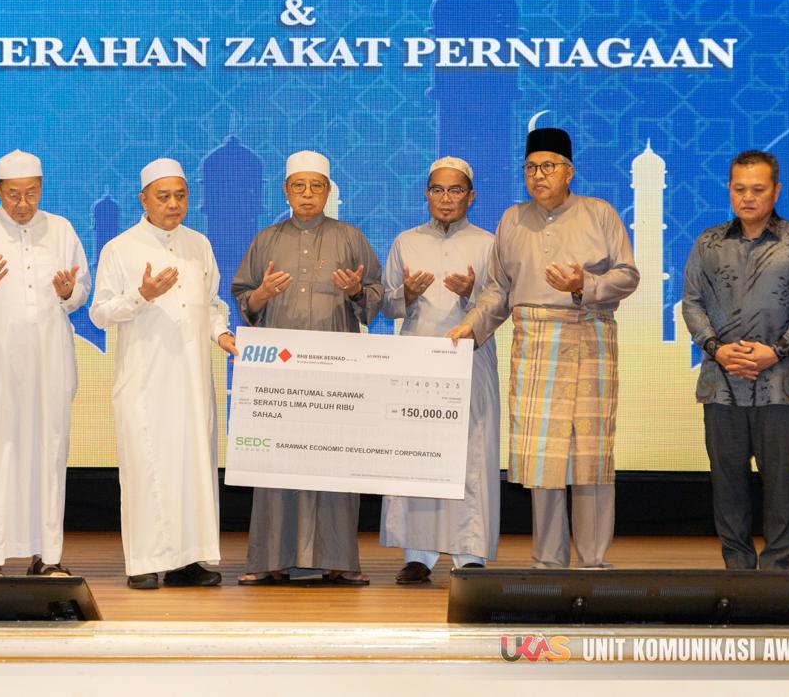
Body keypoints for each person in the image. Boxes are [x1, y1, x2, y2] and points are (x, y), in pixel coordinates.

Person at [449, 128, 638, 569]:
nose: (538, 175)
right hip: (535, 345)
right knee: (542, 460)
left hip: (589, 337)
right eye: (531, 167)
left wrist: (583, 284)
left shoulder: (599, 213)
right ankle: (549, 561)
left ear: (569, 172)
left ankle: (593, 561)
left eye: (548, 166)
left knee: (590, 456)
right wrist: (470, 326)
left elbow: (627, 275)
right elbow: (498, 290)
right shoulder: (513, 220)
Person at [231, 150, 382, 586]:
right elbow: (244, 300)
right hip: (280, 375)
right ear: (286, 190)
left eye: (317, 186)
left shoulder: (350, 238)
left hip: (337, 372)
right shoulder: (266, 240)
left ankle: (339, 559)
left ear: (328, 190)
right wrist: (261, 294)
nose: (308, 194)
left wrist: (355, 292)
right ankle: (270, 559)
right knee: (276, 462)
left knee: (336, 461)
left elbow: (375, 296)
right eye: (299, 186)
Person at [90, 158, 238, 590]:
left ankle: (187, 561)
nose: (173, 204)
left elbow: (212, 304)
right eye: (163, 196)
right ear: (144, 199)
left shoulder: (199, 245)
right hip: (145, 382)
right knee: (146, 468)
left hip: (192, 381)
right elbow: (100, 314)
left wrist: (222, 334)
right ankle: (143, 562)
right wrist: (142, 295)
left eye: (180, 196)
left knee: (192, 467)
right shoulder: (120, 248)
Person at [0, 150, 90, 577]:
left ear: (41, 188)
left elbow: (80, 291)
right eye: (13, 195)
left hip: (48, 363)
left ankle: (47, 556)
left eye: (31, 193)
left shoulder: (61, 229)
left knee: (49, 452)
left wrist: (68, 292)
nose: (23, 204)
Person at [681, 150, 789, 570]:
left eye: (757, 189)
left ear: (776, 191)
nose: (747, 197)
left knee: (781, 483)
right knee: (727, 482)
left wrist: (774, 351)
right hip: (721, 383)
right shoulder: (708, 243)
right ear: (729, 190)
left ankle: (777, 573)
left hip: (780, 382)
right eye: (739, 189)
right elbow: (691, 302)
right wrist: (716, 349)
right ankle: (738, 571)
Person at [380, 157, 501, 584]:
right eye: (437, 190)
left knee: (471, 455)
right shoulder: (406, 241)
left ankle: (470, 554)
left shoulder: (489, 244)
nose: (446, 199)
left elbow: (500, 303)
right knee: (417, 454)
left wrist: (472, 294)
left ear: (471, 196)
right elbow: (386, 304)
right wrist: (406, 295)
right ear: (426, 194)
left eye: (455, 190)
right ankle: (418, 554)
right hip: (416, 360)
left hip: (470, 359)